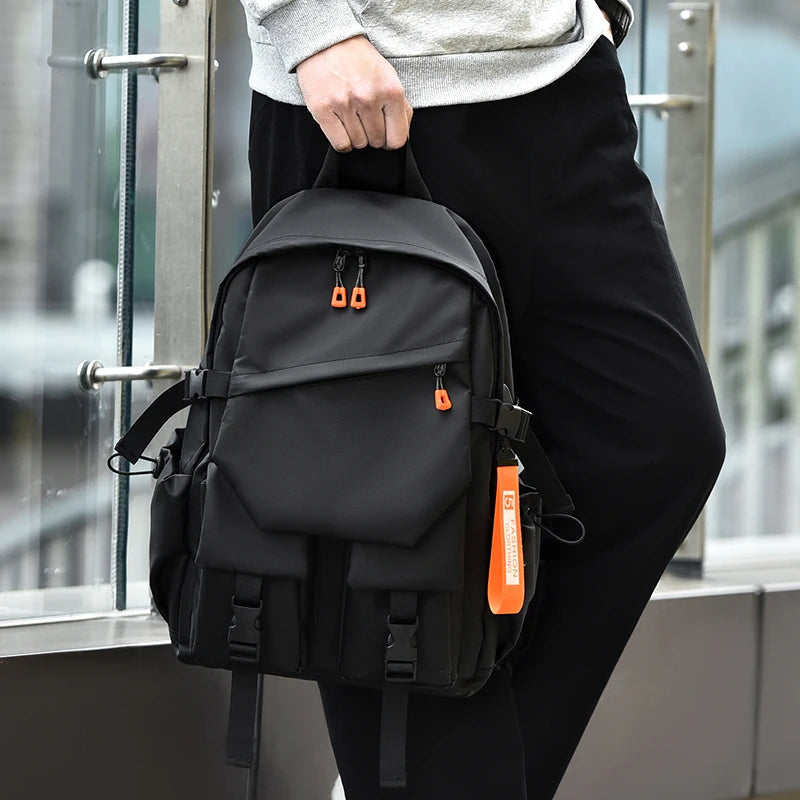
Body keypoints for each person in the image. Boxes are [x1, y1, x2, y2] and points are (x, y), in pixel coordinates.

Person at [239, 1, 726, 798]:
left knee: (658, 444)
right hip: (370, 91)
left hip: (561, 81)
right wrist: (310, 26)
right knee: (383, 509)